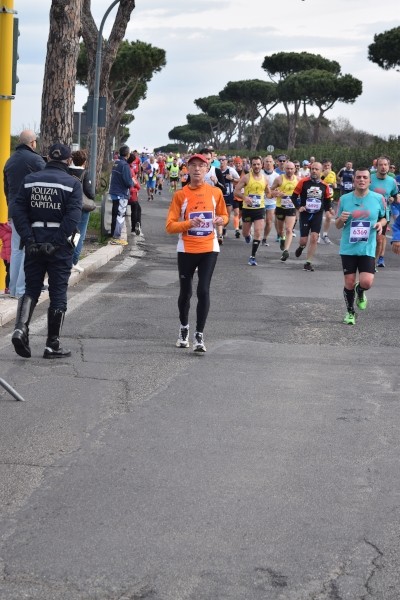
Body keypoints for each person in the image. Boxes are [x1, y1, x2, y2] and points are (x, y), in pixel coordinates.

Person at [11, 142, 82, 359]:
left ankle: (21, 329)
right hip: (58, 249)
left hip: (34, 244)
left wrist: (29, 238)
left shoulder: (30, 180)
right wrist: (57, 242)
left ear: (47, 157)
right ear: (68, 160)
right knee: (58, 294)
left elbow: (18, 210)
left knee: (31, 289)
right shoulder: (72, 183)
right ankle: (52, 344)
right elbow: (72, 218)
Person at [165, 153, 228, 353]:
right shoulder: (180, 195)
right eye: (193, 165)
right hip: (186, 248)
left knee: (203, 290)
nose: (197, 169)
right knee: (186, 292)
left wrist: (220, 221)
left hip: (209, 247)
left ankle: (199, 335)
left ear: (207, 169)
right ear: (187, 169)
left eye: (201, 166)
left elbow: (225, 215)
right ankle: (184, 329)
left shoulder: (215, 192)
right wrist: (188, 224)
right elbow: (169, 226)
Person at [335, 168, 386, 325]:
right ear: (354, 180)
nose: (361, 180)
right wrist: (341, 219)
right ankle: (350, 312)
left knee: (366, 282)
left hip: (367, 247)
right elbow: (337, 225)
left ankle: (361, 291)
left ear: (370, 181)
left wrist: (379, 224)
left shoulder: (378, 198)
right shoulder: (344, 199)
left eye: (365, 177)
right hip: (348, 248)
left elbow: (384, 218)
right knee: (349, 282)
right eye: (358, 177)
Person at [3, 129, 46, 298]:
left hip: (14, 210)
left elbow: (7, 189)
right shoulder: (36, 160)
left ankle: (13, 289)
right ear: (32, 143)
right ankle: (21, 290)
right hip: (30, 211)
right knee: (29, 248)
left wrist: (11, 207)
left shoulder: (9, 161)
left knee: (16, 250)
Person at [292, 162, 332, 271]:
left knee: (314, 238)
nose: (314, 171)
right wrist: (299, 207)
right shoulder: (303, 182)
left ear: (321, 171)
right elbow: (294, 197)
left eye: (316, 169)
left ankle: (308, 262)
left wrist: (328, 210)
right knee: (304, 241)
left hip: (317, 214)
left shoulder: (325, 185)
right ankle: (301, 247)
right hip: (305, 214)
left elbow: (328, 200)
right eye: (312, 169)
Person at [234, 156, 270, 266]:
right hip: (247, 209)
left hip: (259, 208)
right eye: (254, 164)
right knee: (245, 232)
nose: (256, 166)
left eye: (258, 164)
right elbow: (236, 191)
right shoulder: (246, 178)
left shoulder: (265, 179)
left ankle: (252, 256)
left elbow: (268, 193)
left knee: (258, 232)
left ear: (262, 165)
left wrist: (275, 194)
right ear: (251, 165)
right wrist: (244, 198)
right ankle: (247, 236)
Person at [68, 149, 95, 273]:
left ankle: (66, 260)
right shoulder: (85, 173)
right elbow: (89, 191)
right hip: (82, 207)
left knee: (68, 234)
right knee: (80, 235)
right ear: (84, 161)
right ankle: (74, 262)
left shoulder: (66, 171)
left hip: (68, 206)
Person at [369, 156, 398, 268]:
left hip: (383, 215)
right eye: (380, 165)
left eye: (385, 165)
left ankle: (374, 263)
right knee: (367, 238)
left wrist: (393, 199)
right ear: (376, 166)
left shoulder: (392, 181)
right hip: (368, 212)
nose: (383, 167)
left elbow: (395, 196)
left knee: (380, 239)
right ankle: (364, 259)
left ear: (388, 166)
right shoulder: (370, 178)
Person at [270, 161, 298, 261]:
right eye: (287, 169)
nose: (290, 171)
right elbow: (269, 192)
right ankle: (282, 238)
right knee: (280, 230)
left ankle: (286, 250)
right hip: (280, 207)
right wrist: (276, 193)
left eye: (291, 169)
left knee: (289, 229)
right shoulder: (279, 179)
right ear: (284, 169)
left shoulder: (298, 180)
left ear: (295, 169)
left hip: (291, 207)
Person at [109, 145, 132, 246]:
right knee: (120, 215)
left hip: (114, 191)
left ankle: (113, 235)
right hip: (121, 193)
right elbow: (128, 182)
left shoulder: (116, 163)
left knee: (114, 214)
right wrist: (132, 183)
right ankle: (116, 237)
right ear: (127, 154)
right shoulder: (125, 165)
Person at [218, 155, 240, 242]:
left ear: (226, 161)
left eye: (223, 160)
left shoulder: (231, 170)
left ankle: (223, 228)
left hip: (229, 196)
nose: (222, 161)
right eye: (220, 160)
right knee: (218, 214)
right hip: (219, 196)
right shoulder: (216, 170)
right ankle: (220, 232)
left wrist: (232, 179)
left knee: (226, 215)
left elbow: (239, 179)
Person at [262, 155, 280, 246]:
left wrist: (276, 192)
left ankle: (264, 238)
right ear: (263, 164)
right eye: (266, 162)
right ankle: (257, 235)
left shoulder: (277, 176)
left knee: (269, 221)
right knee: (260, 221)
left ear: (273, 163)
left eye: (270, 162)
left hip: (271, 201)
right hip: (259, 201)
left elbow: (279, 189)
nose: (268, 163)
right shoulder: (259, 173)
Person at [319, 159, 337, 244]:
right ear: (322, 166)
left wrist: (334, 185)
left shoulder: (333, 173)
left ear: (331, 166)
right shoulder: (320, 173)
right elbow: (317, 183)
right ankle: (317, 234)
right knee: (318, 217)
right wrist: (323, 176)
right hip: (320, 198)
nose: (327, 167)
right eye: (325, 166)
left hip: (330, 198)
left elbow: (334, 184)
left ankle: (325, 235)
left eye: (328, 166)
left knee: (329, 216)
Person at [127, 156, 142, 235]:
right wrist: (138, 187)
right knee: (136, 209)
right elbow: (135, 182)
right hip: (131, 193)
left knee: (136, 208)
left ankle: (136, 225)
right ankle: (135, 227)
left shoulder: (122, 166)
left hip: (122, 192)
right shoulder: (130, 170)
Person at [0, 221, 12, 294]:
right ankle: (8, 287)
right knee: (10, 272)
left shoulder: (3, 229)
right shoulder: (14, 230)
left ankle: (7, 287)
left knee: (9, 271)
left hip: (6, 256)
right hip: (9, 256)